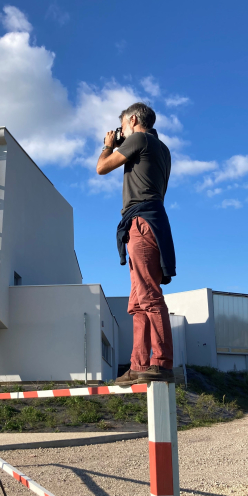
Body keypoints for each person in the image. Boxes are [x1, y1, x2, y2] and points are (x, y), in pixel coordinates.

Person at [96, 102, 176, 384]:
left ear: (132, 120)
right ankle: (139, 364)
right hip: (146, 222)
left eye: (122, 126)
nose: (120, 132)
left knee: (149, 296)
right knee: (138, 301)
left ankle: (162, 363)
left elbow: (102, 167)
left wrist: (108, 145)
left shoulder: (140, 139)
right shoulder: (161, 148)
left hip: (143, 222)